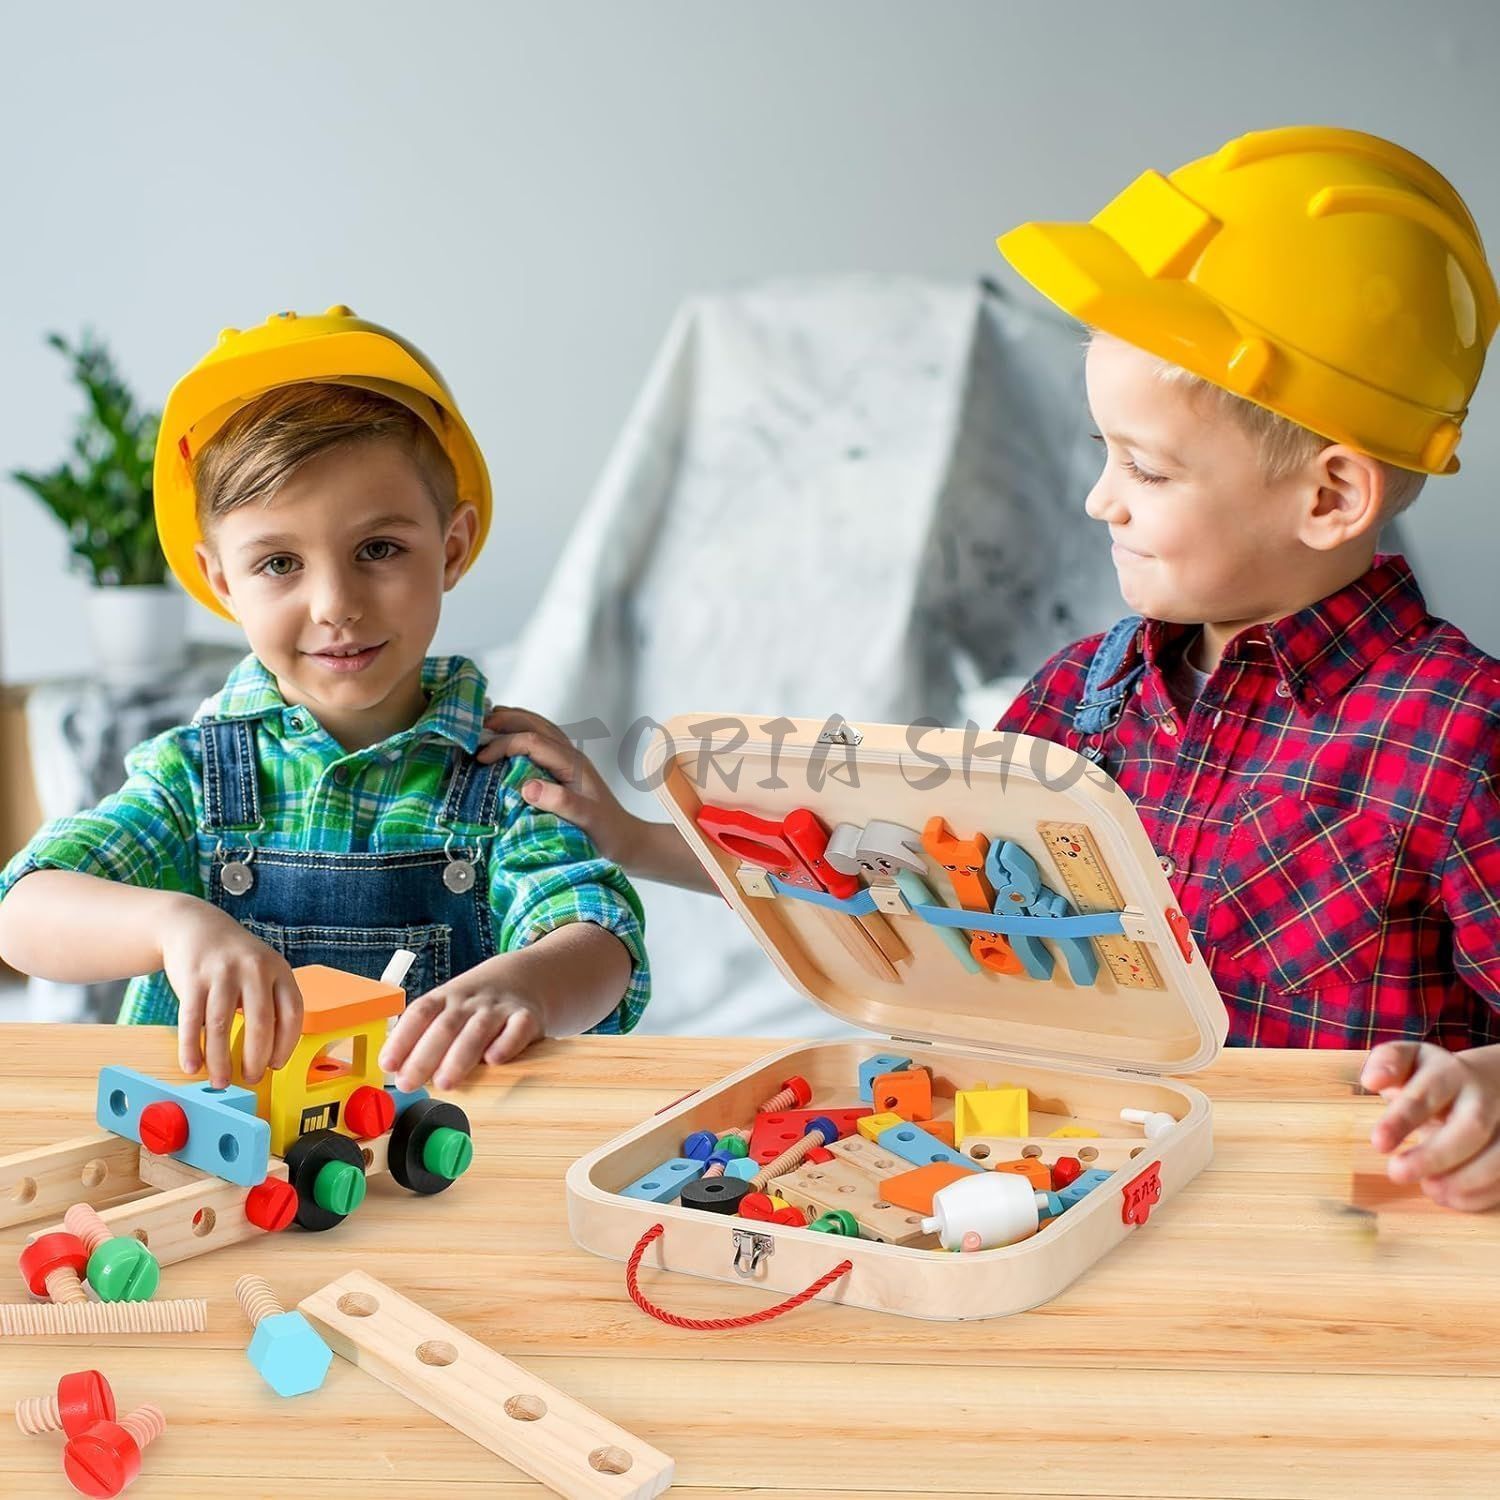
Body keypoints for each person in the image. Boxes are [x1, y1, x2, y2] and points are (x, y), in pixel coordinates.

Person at [475, 129, 1500, 1211]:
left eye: (1144, 468)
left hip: (1335, 1244)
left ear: (1331, 498)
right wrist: (637, 841)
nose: (1100, 500)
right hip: (1086, 1209)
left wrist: (1485, 1093)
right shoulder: (1079, 697)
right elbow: (891, 890)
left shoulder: (1458, 734)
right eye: (1103, 452)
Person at [0, 307, 649, 1095]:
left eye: (378, 549)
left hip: (428, 1172)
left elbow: (600, 934)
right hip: (214, 1171)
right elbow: (22, 911)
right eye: (279, 563)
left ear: (451, 547)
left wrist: (530, 984)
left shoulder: (503, 777)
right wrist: (174, 924)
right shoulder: (196, 777)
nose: (336, 603)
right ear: (220, 582)